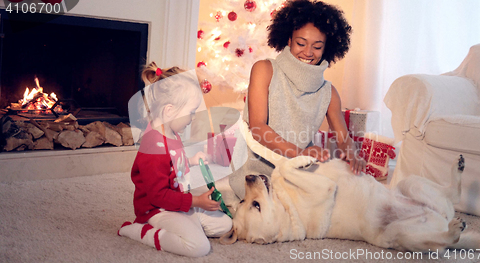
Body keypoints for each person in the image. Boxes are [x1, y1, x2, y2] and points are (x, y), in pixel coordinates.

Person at [229, 0, 366, 199]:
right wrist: (300, 153)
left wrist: (352, 155)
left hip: (300, 170)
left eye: (317, 47)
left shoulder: (329, 92)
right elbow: (258, 128)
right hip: (259, 170)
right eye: (301, 43)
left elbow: (343, 138)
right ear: (288, 40)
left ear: (326, 48)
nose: (308, 52)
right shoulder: (265, 70)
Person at [118, 62, 232, 257]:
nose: (193, 118)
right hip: (157, 210)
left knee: (225, 224)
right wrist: (195, 201)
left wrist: (191, 160)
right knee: (199, 248)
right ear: (169, 111)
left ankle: (187, 225)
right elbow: (158, 196)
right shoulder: (152, 146)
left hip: (178, 202)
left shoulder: (170, 130)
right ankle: (139, 230)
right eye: (191, 112)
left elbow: (171, 164)